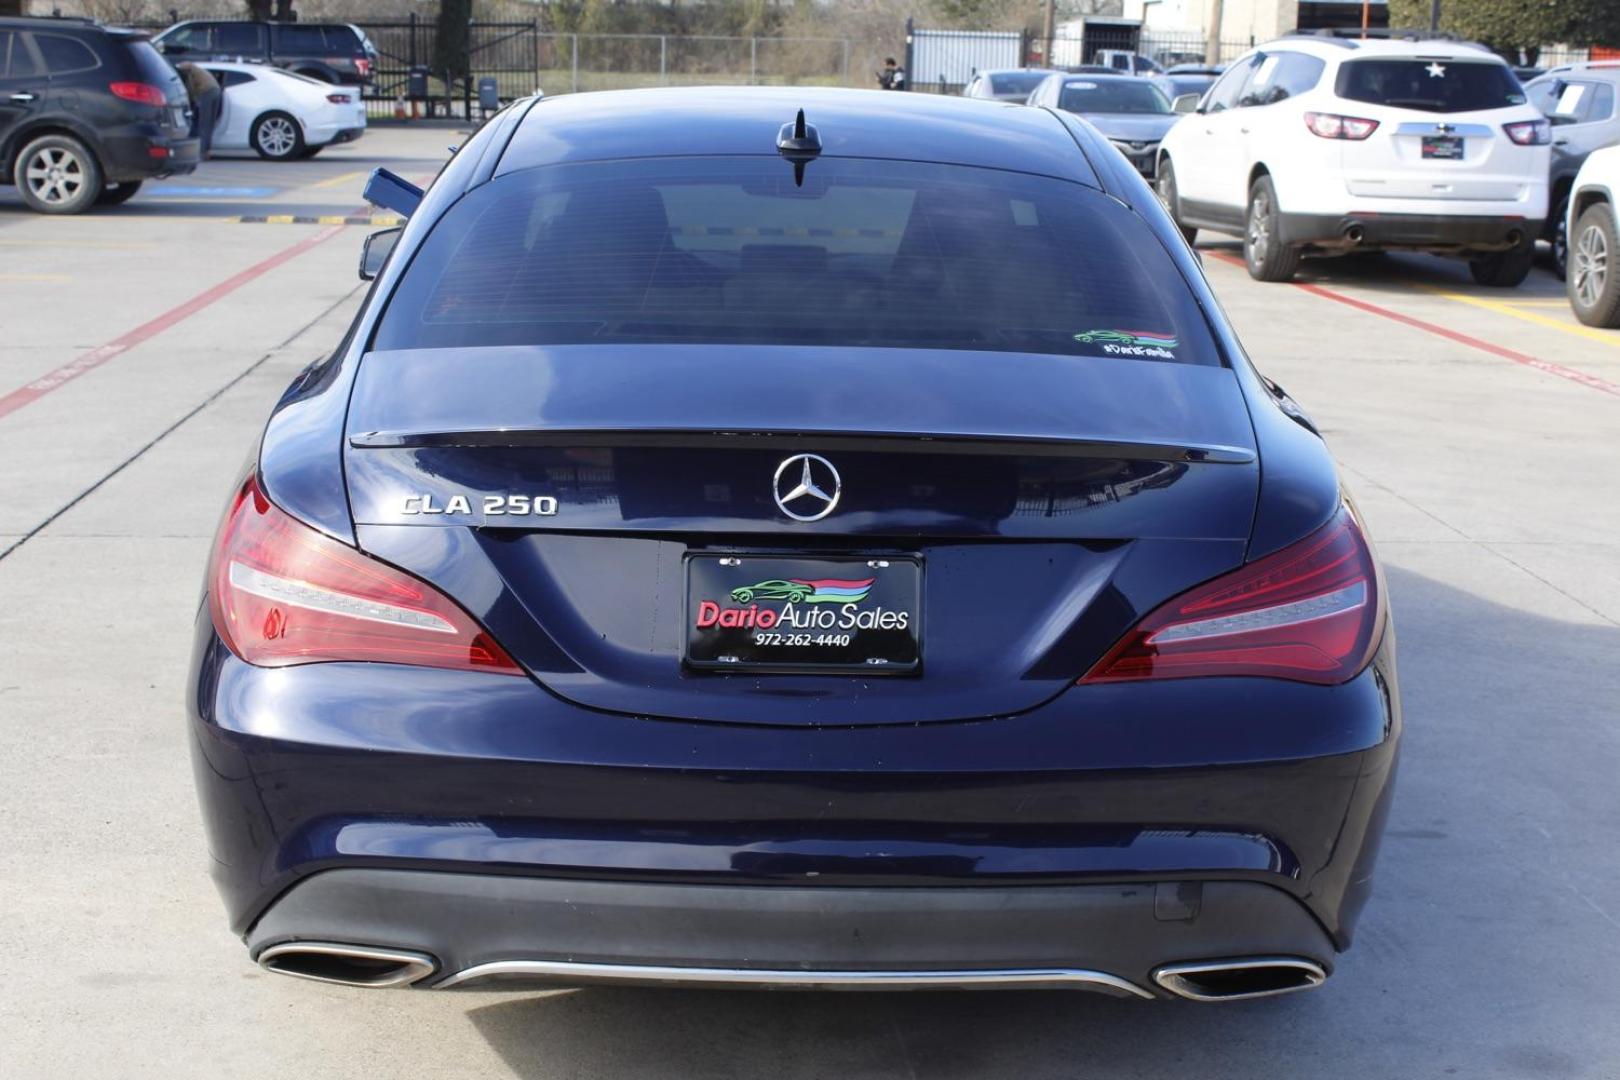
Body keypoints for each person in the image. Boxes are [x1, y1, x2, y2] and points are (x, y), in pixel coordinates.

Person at [176, 61, 222, 158]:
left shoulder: (189, 73)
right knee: (208, 124)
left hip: (206, 93)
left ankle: (200, 153)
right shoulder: (198, 70)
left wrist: (191, 103)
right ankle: (206, 150)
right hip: (216, 91)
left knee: (203, 124)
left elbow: (190, 90)